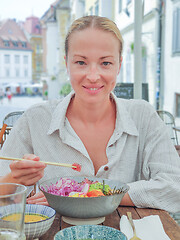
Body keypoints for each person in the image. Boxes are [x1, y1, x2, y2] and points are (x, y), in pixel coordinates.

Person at [0, 16, 180, 212]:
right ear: (66, 63)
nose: (93, 76)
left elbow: (175, 188)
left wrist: (85, 194)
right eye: (80, 62)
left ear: (119, 64)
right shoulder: (35, 119)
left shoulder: (143, 116)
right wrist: (14, 179)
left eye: (105, 63)